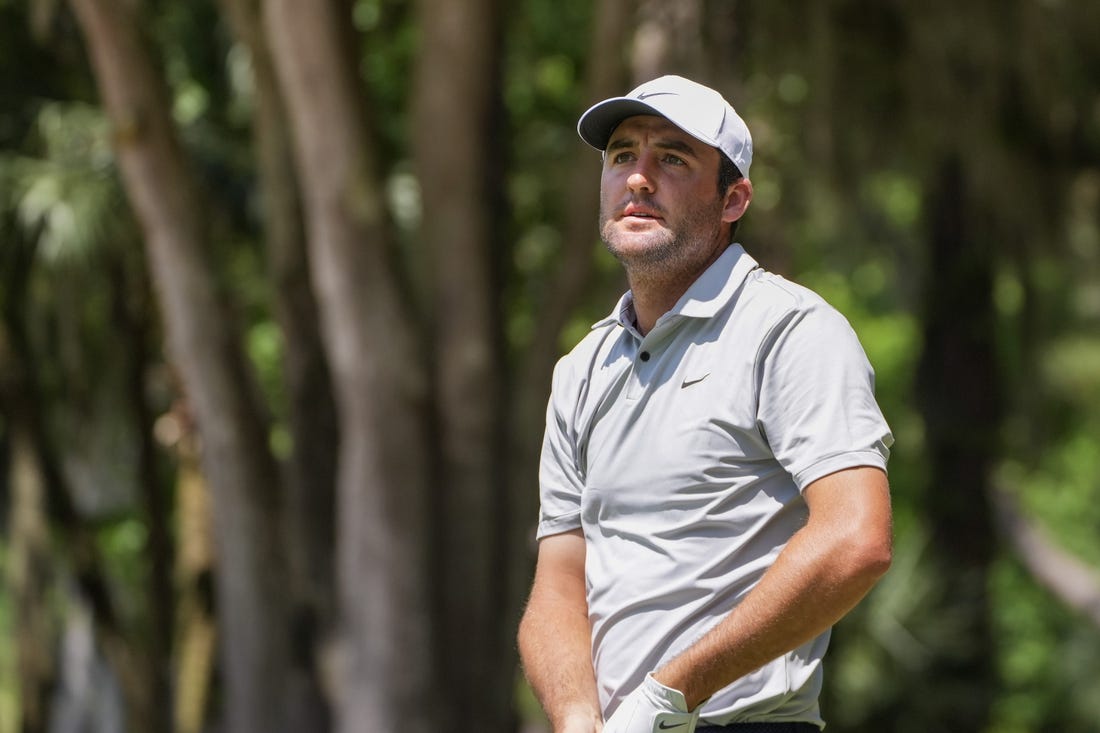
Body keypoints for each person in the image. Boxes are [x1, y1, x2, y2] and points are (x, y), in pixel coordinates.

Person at [517, 75, 894, 733]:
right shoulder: (580, 370)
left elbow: (855, 537)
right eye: (620, 155)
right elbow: (557, 586)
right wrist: (577, 715)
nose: (637, 178)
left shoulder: (790, 330)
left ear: (733, 199)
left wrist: (671, 692)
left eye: (671, 158)